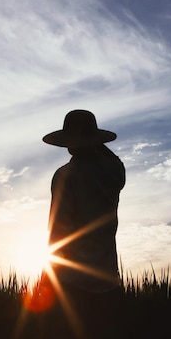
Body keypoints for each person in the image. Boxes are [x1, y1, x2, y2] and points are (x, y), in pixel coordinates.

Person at [41, 109, 125, 319]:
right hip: (108, 282)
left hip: (73, 285)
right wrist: (96, 142)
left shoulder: (65, 176)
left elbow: (59, 231)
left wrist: (47, 278)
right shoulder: (113, 174)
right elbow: (116, 162)